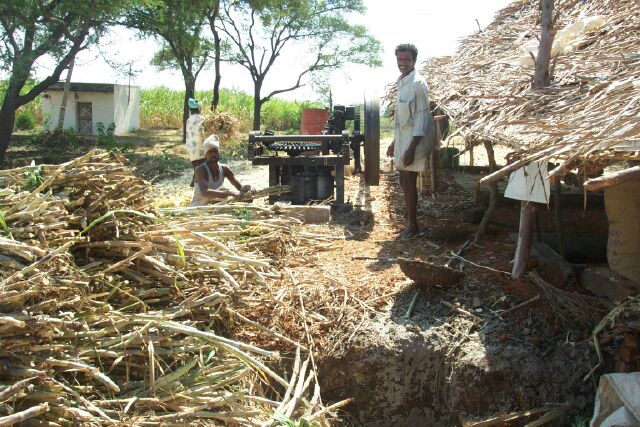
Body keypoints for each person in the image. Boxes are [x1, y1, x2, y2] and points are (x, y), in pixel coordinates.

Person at [386, 43, 437, 238]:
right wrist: (394, 142)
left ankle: (413, 226)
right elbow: (402, 121)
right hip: (405, 139)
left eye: (406, 60)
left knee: (408, 180)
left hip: (415, 141)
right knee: (404, 181)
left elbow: (422, 117)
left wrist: (411, 148)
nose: (402, 63)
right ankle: (411, 224)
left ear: (414, 61)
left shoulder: (417, 83)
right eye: (400, 59)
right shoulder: (403, 82)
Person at [190, 135, 256, 206]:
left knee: (248, 198)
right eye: (210, 152)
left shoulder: (224, 168)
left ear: (219, 152)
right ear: (205, 155)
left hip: (216, 204)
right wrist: (230, 193)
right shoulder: (200, 170)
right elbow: (205, 193)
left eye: (215, 151)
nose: (213, 154)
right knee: (223, 190)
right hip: (200, 206)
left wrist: (248, 187)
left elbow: (240, 188)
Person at [185, 98, 206, 187]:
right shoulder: (201, 119)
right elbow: (203, 132)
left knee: (196, 165)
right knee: (201, 166)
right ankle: (197, 183)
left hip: (191, 147)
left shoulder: (189, 120)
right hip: (200, 146)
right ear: (199, 109)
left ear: (191, 110)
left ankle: (194, 182)